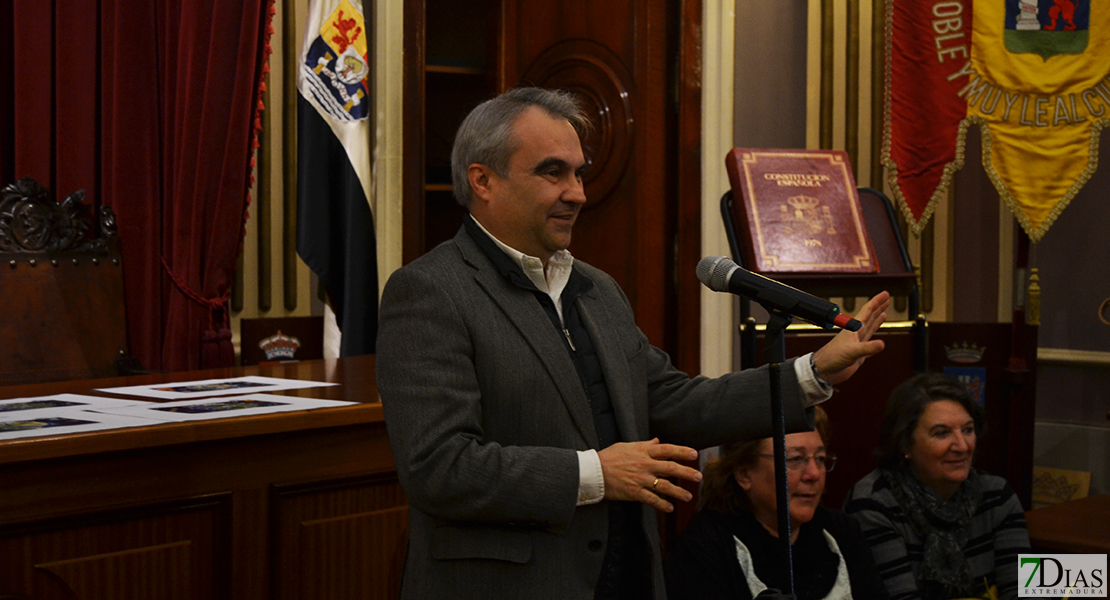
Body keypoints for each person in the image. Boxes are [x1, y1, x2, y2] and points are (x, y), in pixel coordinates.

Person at [376, 86, 892, 600]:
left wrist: (811, 373)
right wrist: (595, 473)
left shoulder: (597, 289)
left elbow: (671, 401)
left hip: (625, 577)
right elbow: (439, 468)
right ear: (483, 180)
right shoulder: (431, 291)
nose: (576, 192)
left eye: (578, 173)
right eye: (552, 172)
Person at [664, 407, 888, 600]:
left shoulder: (842, 533)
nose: (814, 473)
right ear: (744, 473)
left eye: (820, 458)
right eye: (795, 459)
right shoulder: (705, 547)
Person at [843, 373, 1030, 600]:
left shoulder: (996, 495)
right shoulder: (874, 504)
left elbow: (1024, 590)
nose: (962, 446)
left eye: (968, 430)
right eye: (942, 433)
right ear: (905, 443)